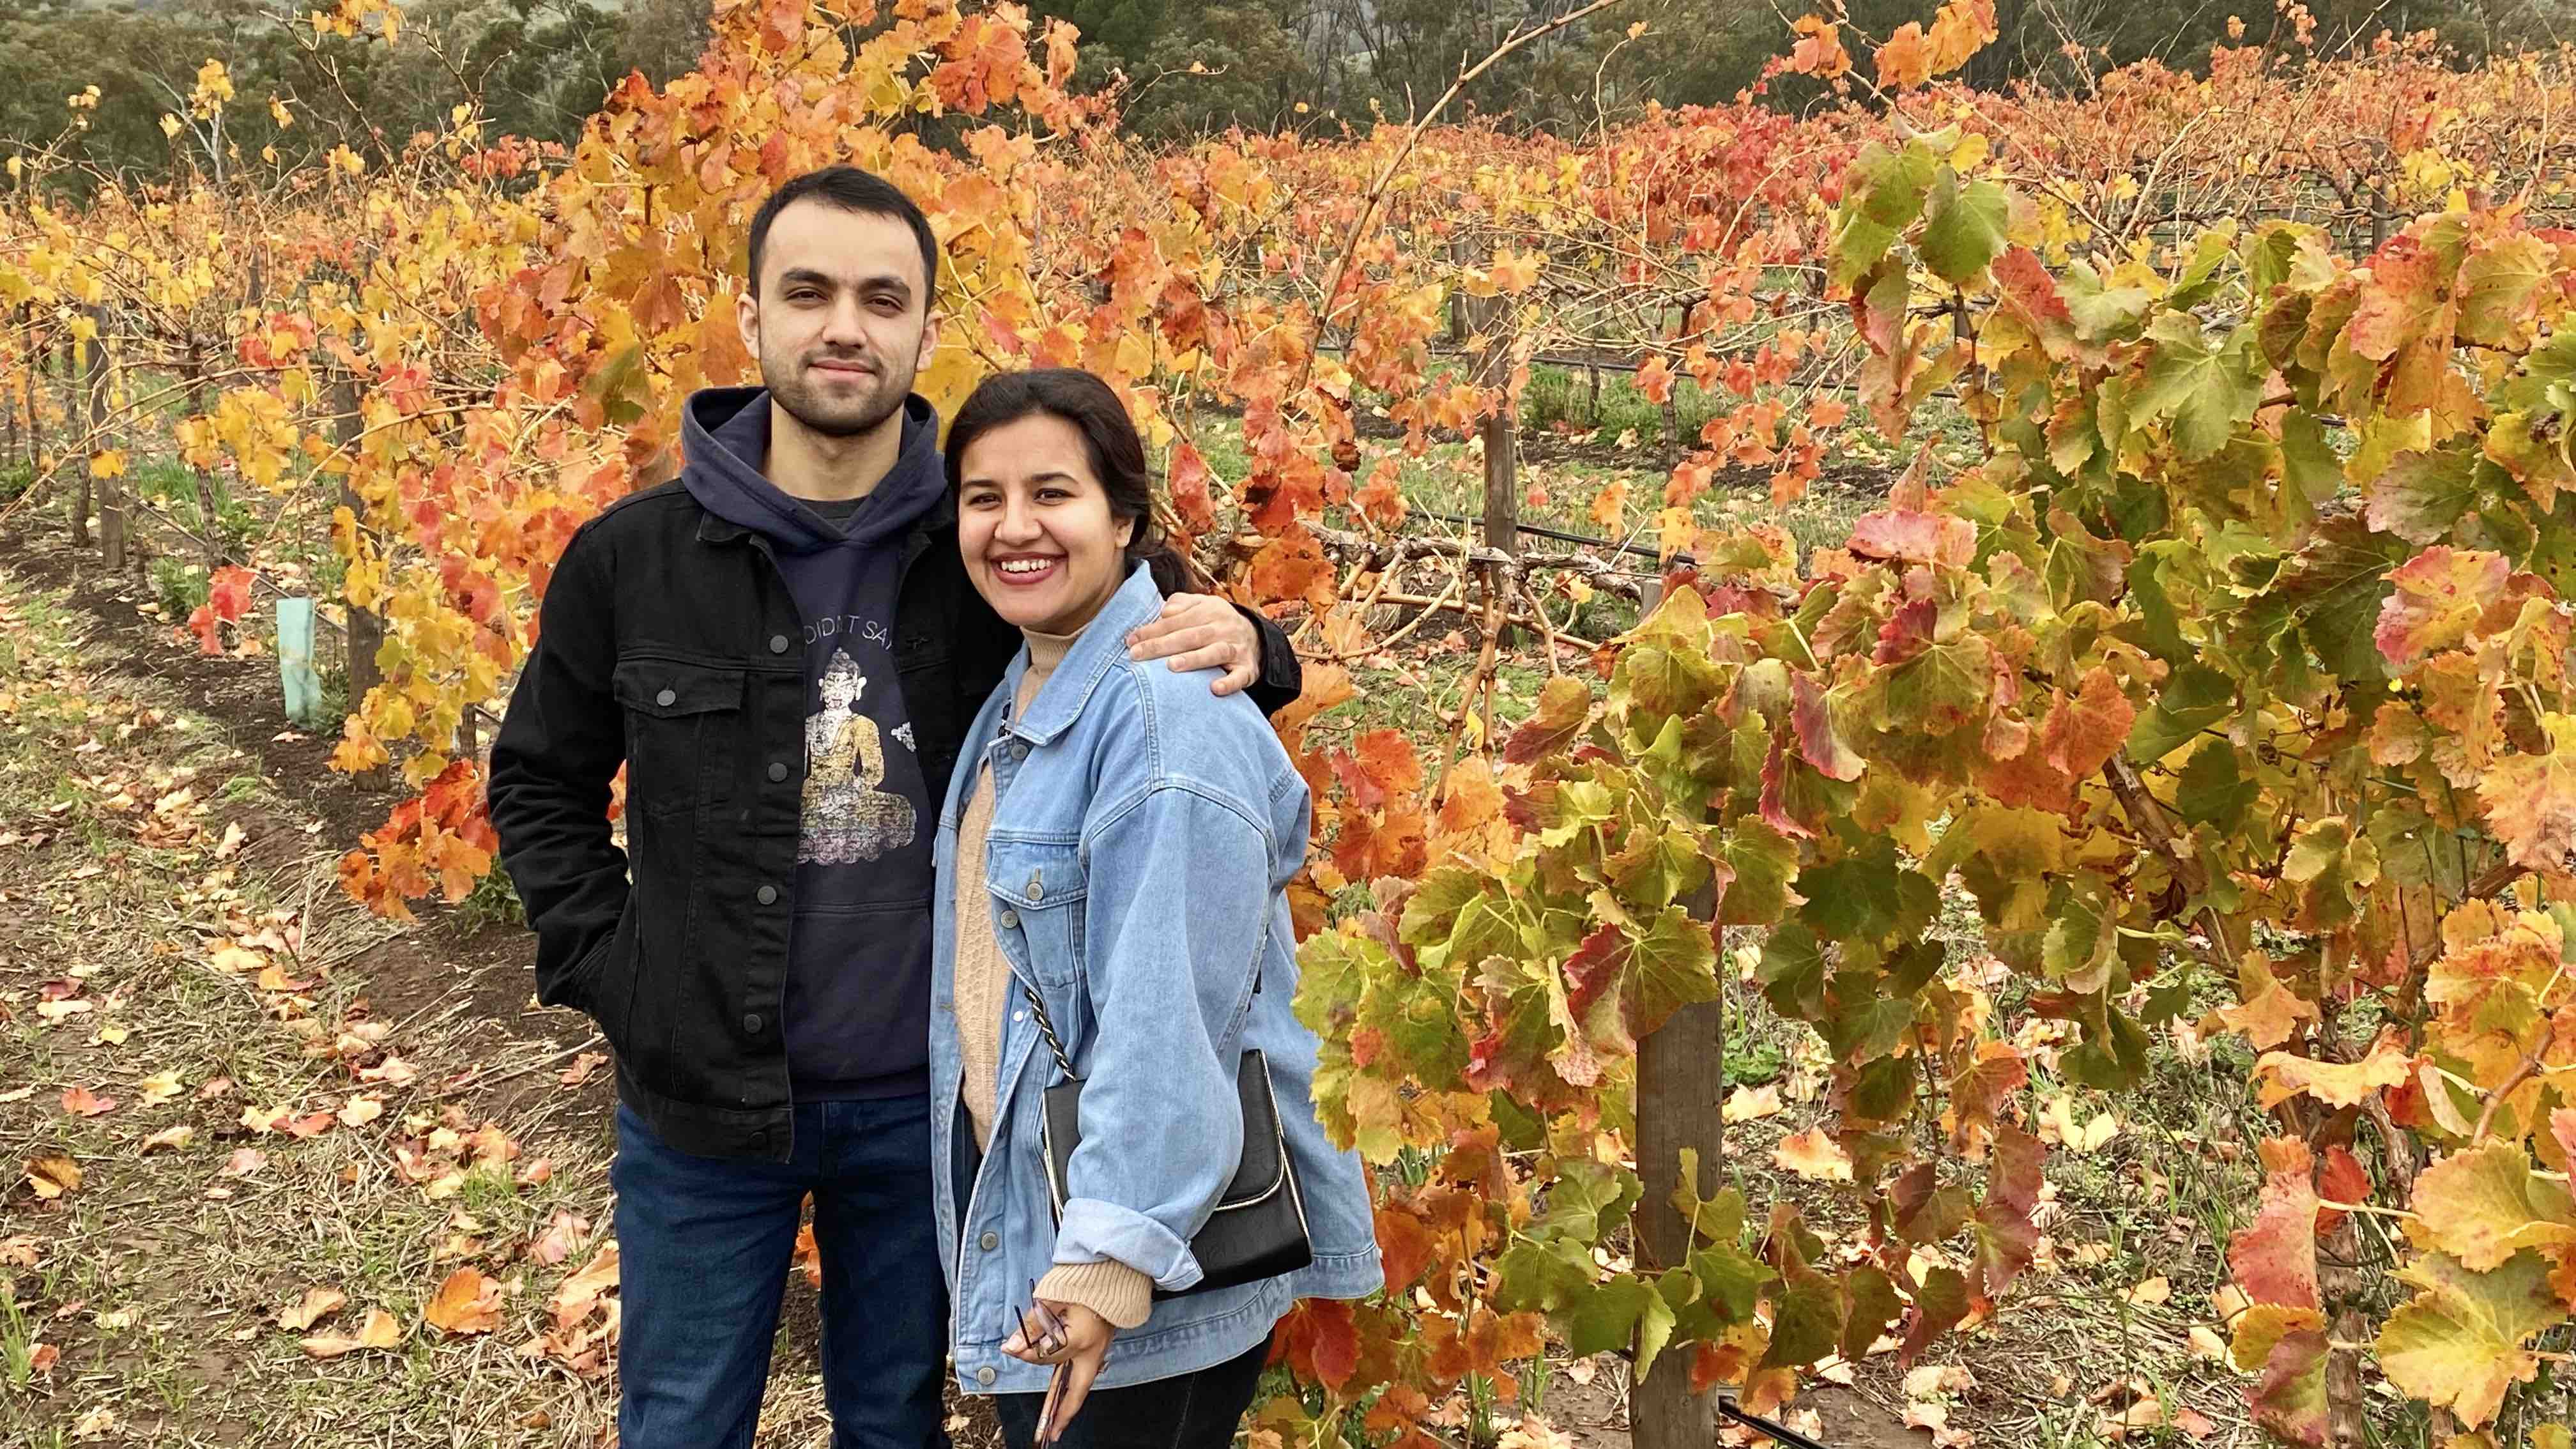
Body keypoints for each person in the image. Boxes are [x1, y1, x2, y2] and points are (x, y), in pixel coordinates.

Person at [484, 167, 1303, 1449]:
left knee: (896, 1423)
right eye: (806, 294)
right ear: (749, 322)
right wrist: (619, 976)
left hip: (931, 1109)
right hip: (702, 1100)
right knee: (681, 1422)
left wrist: (1257, 640)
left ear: (926, 331)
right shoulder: (630, 559)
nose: (843, 328)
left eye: (883, 298)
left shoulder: (986, 534)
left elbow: (1152, 632)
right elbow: (538, 781)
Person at [929, 368, 1381, 1449]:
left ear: (1122, 518)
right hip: (1055, 1208)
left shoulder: (1162, 726)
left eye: (1053, 493)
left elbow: (1168, 1022)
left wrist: (1106, 1259)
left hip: (1132, 1256)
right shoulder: (1030, 681)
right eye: (984, 499)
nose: (1014, 526)